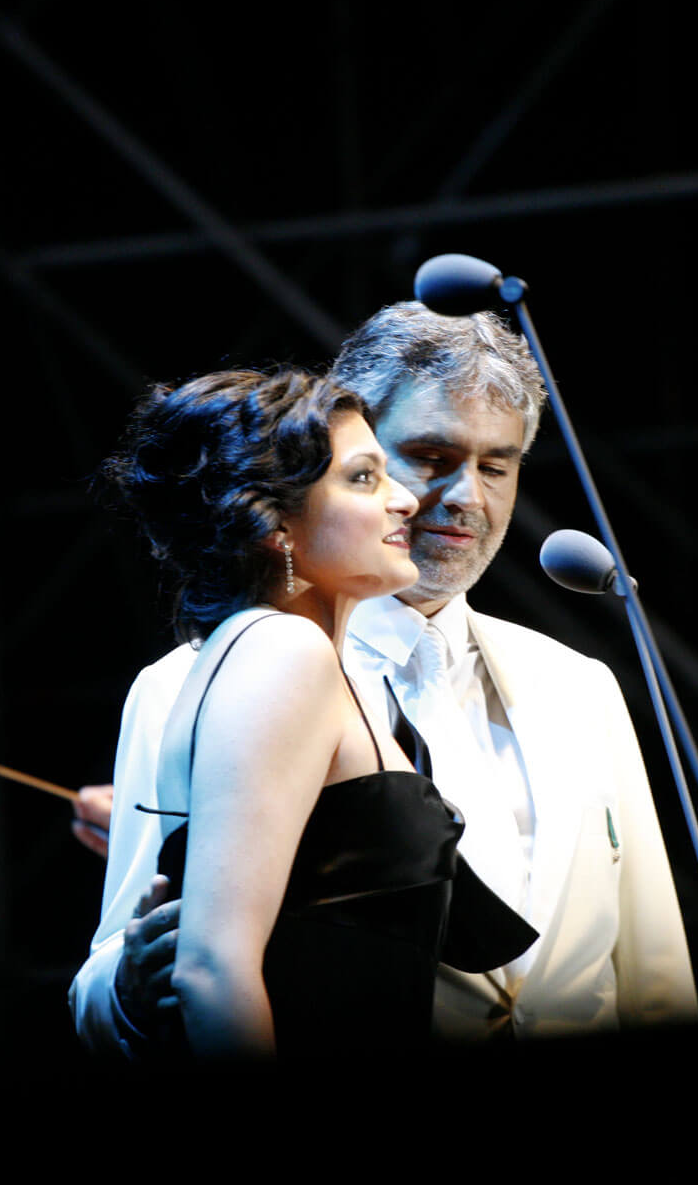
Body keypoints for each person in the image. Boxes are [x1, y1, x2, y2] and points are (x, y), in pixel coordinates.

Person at [71, 304, 698, 1053]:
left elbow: (658, 974)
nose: (463, 496)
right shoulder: (198, 680)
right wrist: (133, 989)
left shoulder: (579, 685)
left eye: (496, 466)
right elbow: (139, 970)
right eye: (427, 457)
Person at [93, 365, 531, 1059]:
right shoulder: (281, 650)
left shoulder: (284, 656)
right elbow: (212, 969)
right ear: (275, 525)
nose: (405, 502)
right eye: (363, 479)